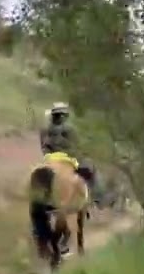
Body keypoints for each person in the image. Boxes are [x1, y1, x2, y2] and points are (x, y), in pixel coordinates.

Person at [36, 102, 98, 255]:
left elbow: (43, 146)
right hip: (67, 159)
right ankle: (90, 200)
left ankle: (40, 202)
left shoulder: (45, 129)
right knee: (88, 171)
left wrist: (48, 154)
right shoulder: (69, 129)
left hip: (50, 159)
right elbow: (76, 146)